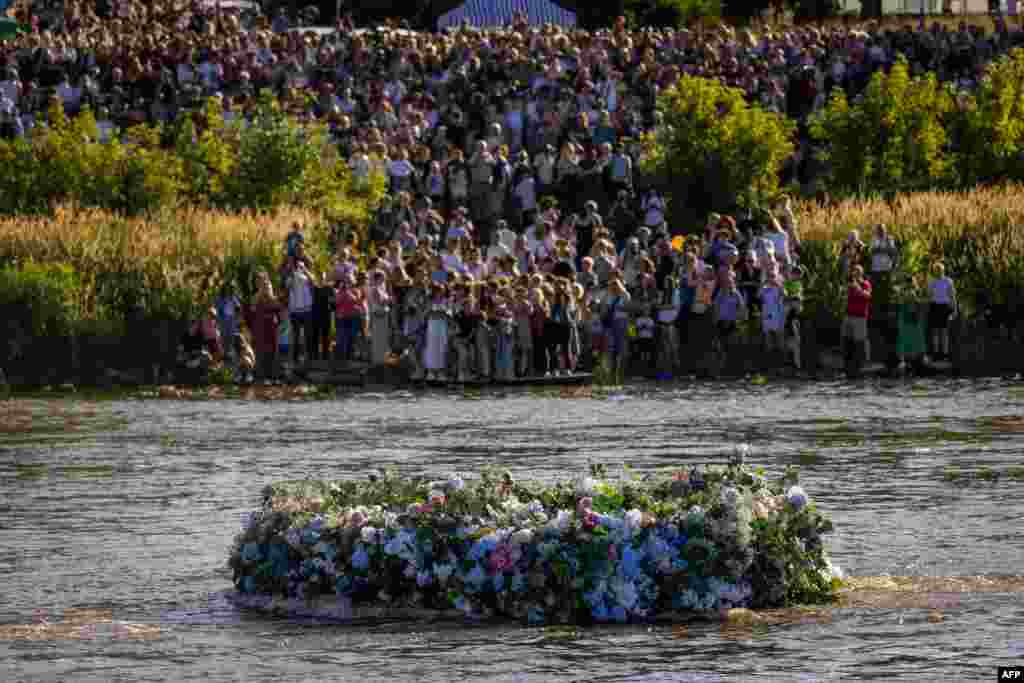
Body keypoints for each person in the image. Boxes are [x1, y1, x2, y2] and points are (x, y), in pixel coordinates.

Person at [245, 272, 283, 382]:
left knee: (272, 351)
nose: (260, 282)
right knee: (260, 351)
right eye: (258, 280)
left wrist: (269, 293)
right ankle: (260, 376)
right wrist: (261, 291)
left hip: (271, 327)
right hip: (259, 327)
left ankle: (273, 376)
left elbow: (277, 307)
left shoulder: (271, 294)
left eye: (262, 280)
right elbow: (252, 306)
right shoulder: (255, 295)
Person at [842, 264, 873, 367]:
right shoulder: (851, 284)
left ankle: (861, 365)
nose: (855, 273)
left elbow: (867, 296)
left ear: (861, 273)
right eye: (854, 271)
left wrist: (857, 287)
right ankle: (848, 364)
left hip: (860, 317)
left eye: (857, 271)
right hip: (849, 316)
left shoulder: (865, 284)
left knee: (859, 341)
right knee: (847, 340)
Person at [927, 262, 957, 361]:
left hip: (945, 307)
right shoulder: (932, 281)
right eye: (936, 270)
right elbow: (929, 296)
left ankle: (945, 354)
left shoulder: (948, 281)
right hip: (935, 306)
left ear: (943, 270)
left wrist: (954, 309)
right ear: (934, 271)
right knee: (935, 331)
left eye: (940, 270)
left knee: (944, 332)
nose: (938, 271)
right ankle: (936, 353)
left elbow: (952, 296)